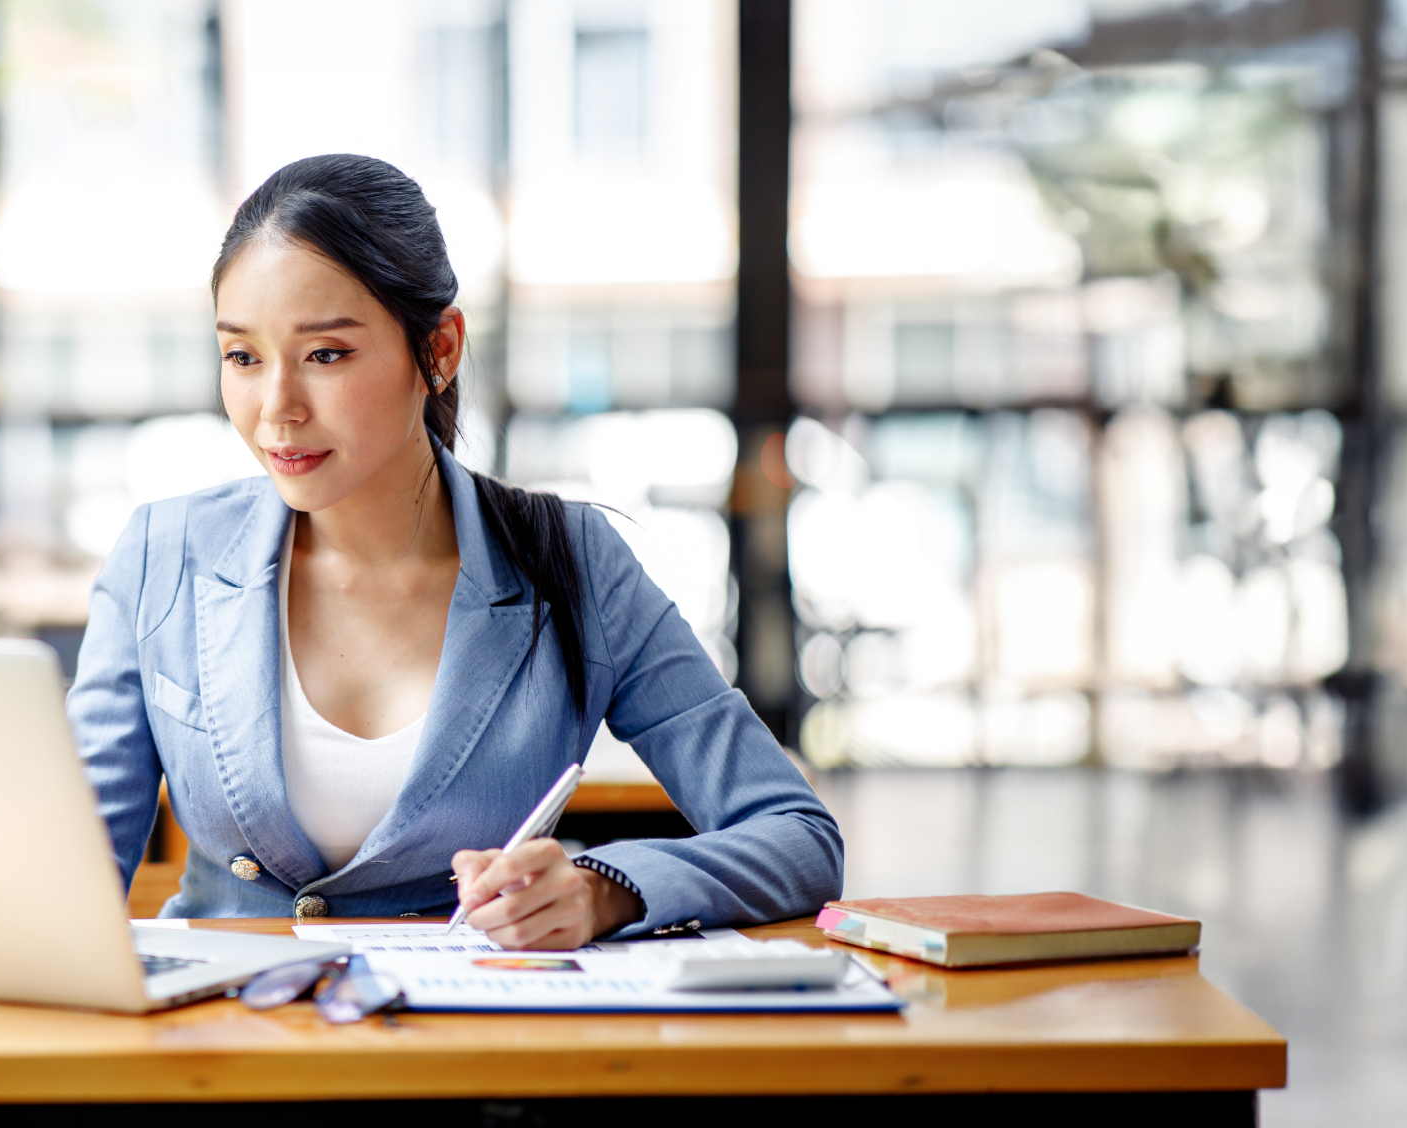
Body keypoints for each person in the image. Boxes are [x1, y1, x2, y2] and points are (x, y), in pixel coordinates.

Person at [67, 154, 842, 947]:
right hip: (223, 1044)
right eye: (243, 357)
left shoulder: (571, 565)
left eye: (326, 355)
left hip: (465, 1041)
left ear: (438, 350)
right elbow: (66, 877)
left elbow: (795, 834)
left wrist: (603, 890)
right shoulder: (164, 556)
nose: (277, 409)